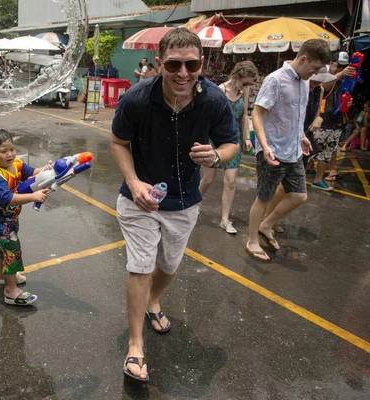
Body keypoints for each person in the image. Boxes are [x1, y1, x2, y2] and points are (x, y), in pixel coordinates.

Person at [111, 28, 239, 382]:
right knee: (140, 264)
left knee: (168, 264)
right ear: (159, 64)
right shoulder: (136, 100)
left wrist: (215, 154)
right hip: (140, 200)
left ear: (202, 64)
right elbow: (119, 142)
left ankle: (154, 302)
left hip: (184, 201)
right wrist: (134, 182)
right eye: (174, 64)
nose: (183, 72)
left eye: (192, 63)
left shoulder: (213, 100)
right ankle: (135, 345)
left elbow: (231, 144)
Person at [245, 39, 331, 261]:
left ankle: (267, 225)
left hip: (293, 150)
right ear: (303, 59)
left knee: (300, 195)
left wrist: (301, 137)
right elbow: (257, 114)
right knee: (263, 197)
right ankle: (252, 240)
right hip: (272, 150)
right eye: (314, 68)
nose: (315, 73)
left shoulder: (304, 81)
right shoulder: (275, 80)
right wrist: (264, 147)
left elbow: (296, 115)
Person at [0, 128, 50, 306]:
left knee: (5, 249)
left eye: (11, 149)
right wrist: (33, 197)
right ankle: (10, 290)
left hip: (10, 219)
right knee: (12, 249)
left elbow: (32, 171)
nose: (10, 154)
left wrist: (46, 169)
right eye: (3, 151)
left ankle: (2, 277)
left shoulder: (17, 164)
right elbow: (7, 199)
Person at [199, 61, 258, 234]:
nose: (247, 87)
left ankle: (225, 219)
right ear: (237, 75)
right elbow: (208, 117)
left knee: (230, 182)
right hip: (215, 140)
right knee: (208, 179)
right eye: (245, 82)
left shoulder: (243, 92)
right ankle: (194, 203)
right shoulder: (219, 91)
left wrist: (246, 137)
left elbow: (244, 116)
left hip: (234, 140)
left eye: (249, 84)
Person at [309, 52, 355, 189]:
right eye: (339, 66)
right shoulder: (323, 73)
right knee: (308, 151)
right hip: (319, 121)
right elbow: (320, 87)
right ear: (331, 63)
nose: (342, 69)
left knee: (327, 153)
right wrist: (340, 75)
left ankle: (318, 179)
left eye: (344, 66)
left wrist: (348, 103)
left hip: (335, 122)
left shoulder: (344, 80)